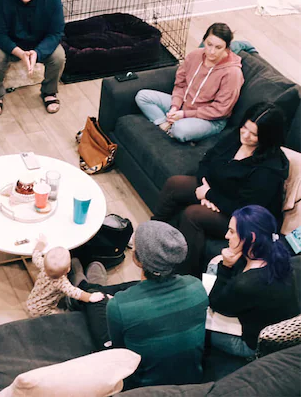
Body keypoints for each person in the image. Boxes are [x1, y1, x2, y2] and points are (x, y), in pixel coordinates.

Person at [153, 102, 289, 276]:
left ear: (267, 137)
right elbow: (207, 160)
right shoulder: (236, 138)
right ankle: (154, 232)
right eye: (244, 128)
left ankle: (183, 274)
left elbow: (247, 209)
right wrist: (206, 191)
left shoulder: (268, 170)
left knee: (193, 215)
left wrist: (210, 195)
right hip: (217, 192)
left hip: (244, 219)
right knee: (175, 184)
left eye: (253, 134)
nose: (245, 135)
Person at [75, 221, 208, 390]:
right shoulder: (196, 286)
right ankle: (89, 286)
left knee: (97, 301)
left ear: (137, 260)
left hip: (144, 387)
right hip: (192, 380)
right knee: (126, 288)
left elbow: (119, 352)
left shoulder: (119, 306)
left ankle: (84, 288)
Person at [207, 205, 300, 358]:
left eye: (231, 231)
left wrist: (226, 266)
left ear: (251, 238)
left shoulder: (247, 283)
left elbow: (216, 304)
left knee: (202, 329)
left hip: (253, 344)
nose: (226, 236)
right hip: (277, 327)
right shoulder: (281, 254)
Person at [135, 23, 243, 143]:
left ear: (227, 48)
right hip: (184, 105)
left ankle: (174, 128)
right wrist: (174, 107)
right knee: (142, 96)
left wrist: (185, 114)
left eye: (218, 47)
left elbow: (220, 110)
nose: (212, 51)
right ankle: (165, 125)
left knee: (180, 130)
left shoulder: (233, 73)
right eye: (209, 44)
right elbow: (180, 84)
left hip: (210, 119)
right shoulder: (194, 55)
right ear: (204, 40)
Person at [0, 0, 65, 116]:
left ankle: (49, 92)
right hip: (9, 42)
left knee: (59, 56)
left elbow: (56, 33)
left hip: (39, 42)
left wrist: (38, 52)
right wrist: (20, 53)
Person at [26, 235, 104, 317]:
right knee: (61, 315)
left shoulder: (43, 266)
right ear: (68, 269)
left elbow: (35, 256)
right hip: (44, 310)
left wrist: (40, 244)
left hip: (32, 302)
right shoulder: (61, 282)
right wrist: (90, 297)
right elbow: (75, 293)